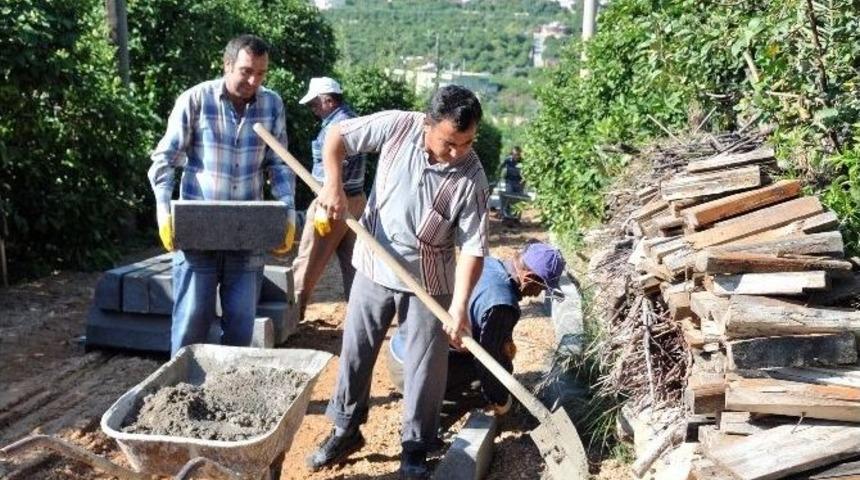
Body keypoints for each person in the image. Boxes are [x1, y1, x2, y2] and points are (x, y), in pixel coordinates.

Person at [307, 85, 489, 480]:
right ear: (428, 124)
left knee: (426, 367)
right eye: (449, 142)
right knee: (355, 351)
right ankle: (345, 428)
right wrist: (332, 184)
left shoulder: (472, 177)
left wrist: (458, 306)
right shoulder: (397, 126)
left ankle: (415, 448)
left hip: (430, 278)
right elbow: (337, 136)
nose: (458, 151)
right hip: (373, 263)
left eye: (467, 142)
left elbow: (473, 248)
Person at [147, 34, 296, 356]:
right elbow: (164, 160)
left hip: (247, 231)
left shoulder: (271, 104)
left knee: (242, 324)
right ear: (226, 65)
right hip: (198, 228)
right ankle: (181, 392)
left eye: (261, 73)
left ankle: (227, 395)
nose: (254, 80)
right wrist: (163, 212)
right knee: (192, 321)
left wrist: (287, 212)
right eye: (246, 71)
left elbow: (279, 164)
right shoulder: (196, 100)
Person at [387, 242, 566, 415]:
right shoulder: (501, 304)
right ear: (529, 279)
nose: (538, 294)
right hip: (412, 369)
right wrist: (502, 400)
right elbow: (490, 365)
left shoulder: (487, 264)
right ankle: (430, 415)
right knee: (483, 384)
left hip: (400, 349)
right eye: (541, 287)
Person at [292, 77, 367, 321]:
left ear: (328, 100)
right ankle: (360, 317)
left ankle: (291, 315)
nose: (313, 110)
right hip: (355, 201)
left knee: (308, 261)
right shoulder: (353, 119)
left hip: (332, 201)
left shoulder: (338, 126)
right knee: (354, 264)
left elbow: (338, 168)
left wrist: (325, 204)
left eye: (315, 104)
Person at [500, 146, 524, 224]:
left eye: (517, 154)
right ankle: (506, 217)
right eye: (514, 154)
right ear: (512, 154)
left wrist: (524, 180)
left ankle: (517, 218)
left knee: (518, 200)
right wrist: (502, 175)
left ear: (520, 154)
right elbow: (501, 168)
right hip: (509, 182)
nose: (516, 156)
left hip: (519, 183)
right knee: (508, 199)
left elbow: (527, 172)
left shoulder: (523, 162)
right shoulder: (507, 161)